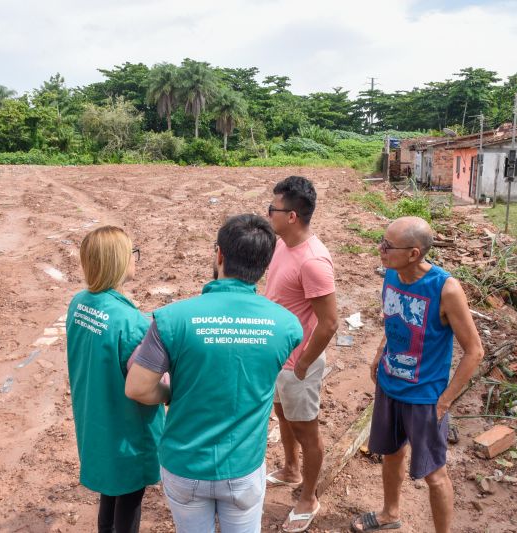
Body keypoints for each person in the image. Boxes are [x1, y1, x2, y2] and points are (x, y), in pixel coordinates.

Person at [125, 214, 303, 533]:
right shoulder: (287, 325)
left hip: (185, 464)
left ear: (219, 254)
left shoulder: (171, 319)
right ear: (266, 264)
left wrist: (170, 392)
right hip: (244, 467)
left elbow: (138, 388)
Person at [350, 216, 484, 533]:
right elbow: (394, 318)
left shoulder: (445, 289)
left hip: (425, 397)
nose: (380, 249)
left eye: (388, 245)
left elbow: (474, 351)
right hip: (390, 386)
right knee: (391, 453)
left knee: (434, 474)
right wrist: (380, 353)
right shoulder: (393, 275)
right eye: (381, 241)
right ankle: (389, 513)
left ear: (414, 253)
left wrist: (444, 402)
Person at [65, 226, 164, 533]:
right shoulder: (133, 323)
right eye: (132, 253)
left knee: (110, 491)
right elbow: (145, 386)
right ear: (118, 262)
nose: (136, 258)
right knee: (130, 499)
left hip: (96, 419)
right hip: (127, 431)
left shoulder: (79, 302)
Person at [264, 176, 338, 533]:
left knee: (307, 431)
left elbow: (329, 323)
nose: (269, 215)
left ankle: (308, 496)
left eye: (273, 209)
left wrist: (304, 364)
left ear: (291, 216)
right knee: (283, 415)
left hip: (299, 364)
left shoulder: (313, 261)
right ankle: (290, 469)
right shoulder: (283, 244)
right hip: (279, 358)